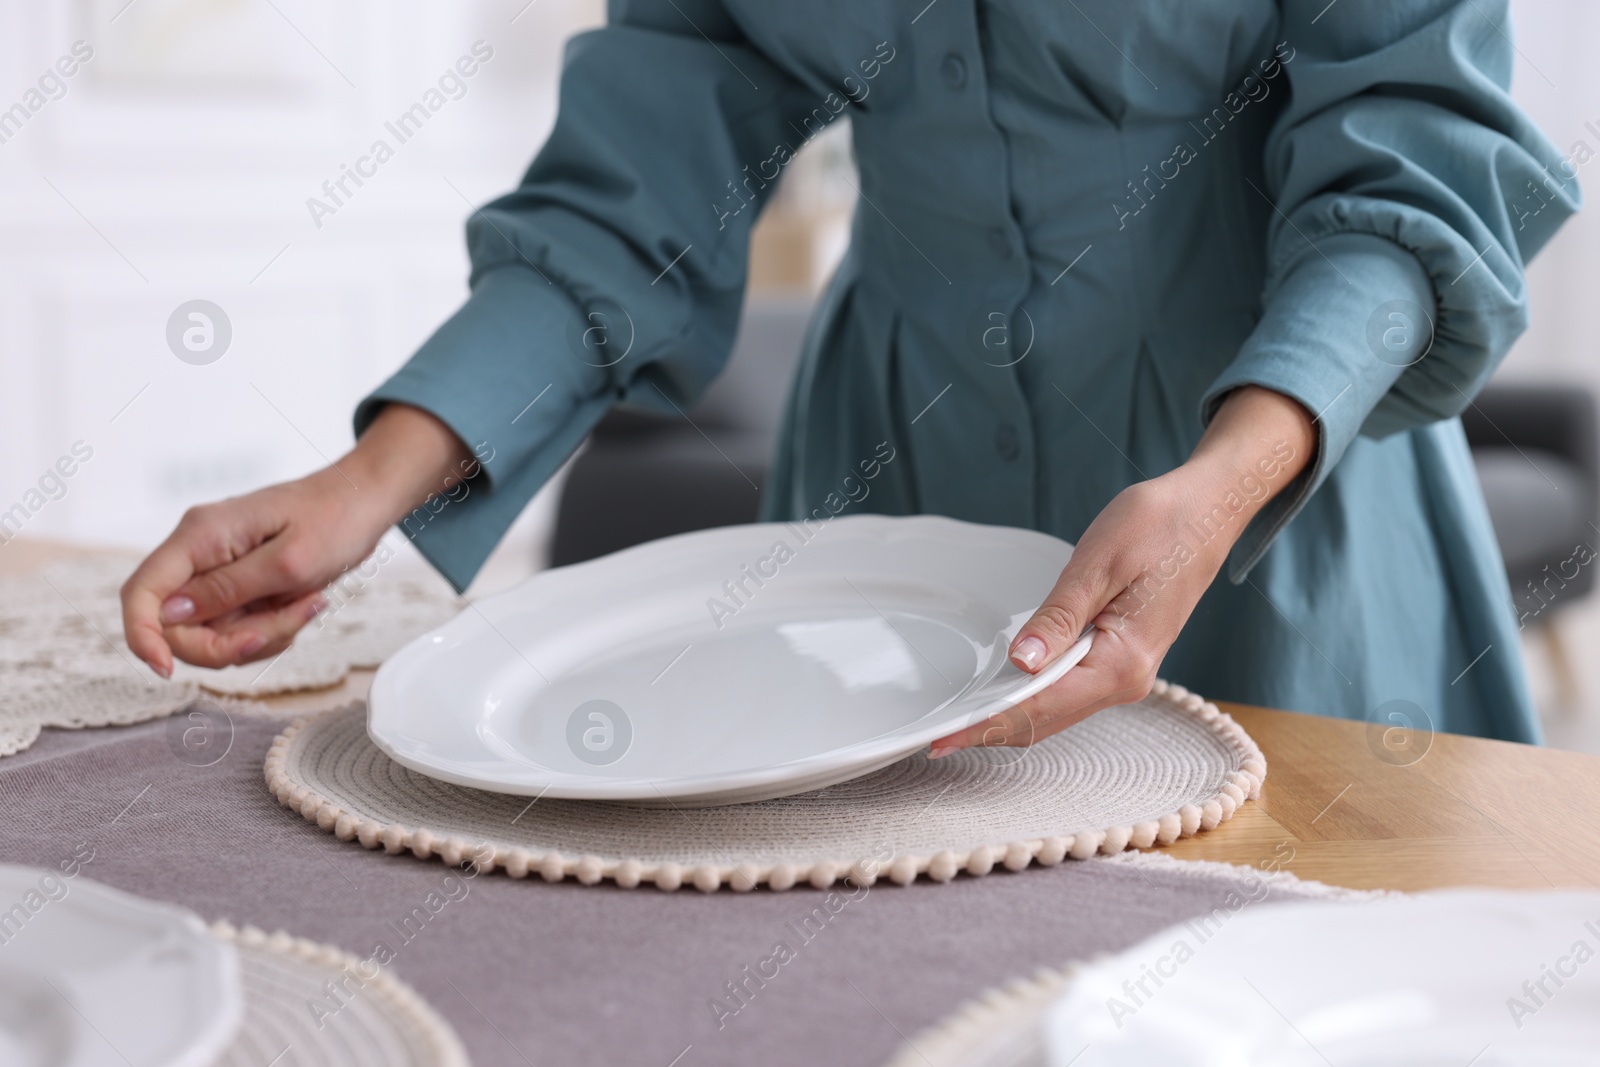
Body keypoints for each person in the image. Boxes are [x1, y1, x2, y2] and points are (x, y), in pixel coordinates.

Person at [121, 0, 1577, 753]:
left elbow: (1411, 165)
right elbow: (639, 194)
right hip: (889, 495)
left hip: (1273, 503)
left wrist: (1226, 481)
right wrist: (368, 482)